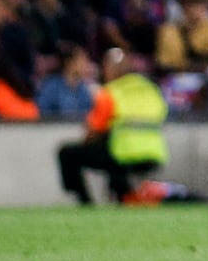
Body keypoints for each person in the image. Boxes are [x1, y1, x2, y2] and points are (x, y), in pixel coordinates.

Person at [57, 49, 166, 205]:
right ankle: (128, 196)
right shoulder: (152, 90)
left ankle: (85, 202)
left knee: (67, 154)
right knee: (114, 168)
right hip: (154, 154)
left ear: (109, 70)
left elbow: (94, 130)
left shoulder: (110, 93)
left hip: (122, 154)